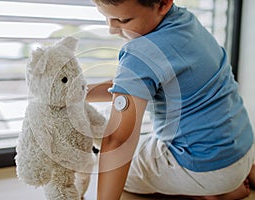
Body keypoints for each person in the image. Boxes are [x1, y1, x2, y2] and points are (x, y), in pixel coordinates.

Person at [86, 0, 255, 199]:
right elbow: (133, 84)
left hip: (208, 169)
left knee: (118, 169)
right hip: (242, 146)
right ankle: (241, 174)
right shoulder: (186, 22)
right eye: (106, 17)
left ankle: (212, 193)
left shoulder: (140, 53)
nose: (111, 29)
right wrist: (81, 92)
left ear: (163, 3)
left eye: (122, 19)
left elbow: (117, 140)